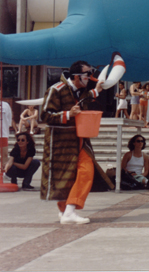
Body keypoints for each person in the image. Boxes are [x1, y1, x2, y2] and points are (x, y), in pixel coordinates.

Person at [40, 60, 108, 225]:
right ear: (77, 76)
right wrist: (68, 114)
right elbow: (44, 115)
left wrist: (97, 91)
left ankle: (68, 211)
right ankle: (67, 211)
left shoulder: (79, 91)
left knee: (85, 171)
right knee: (64, 176)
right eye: (87, 75)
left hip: (79, 140)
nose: (90, 78)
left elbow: (86, 97)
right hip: (60, 142)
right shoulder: (56, 90)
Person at [0, 91, 17, 170]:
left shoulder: (6, 105)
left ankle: (4, 171)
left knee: (4, 155)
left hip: (3, 134)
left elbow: (9, 119)